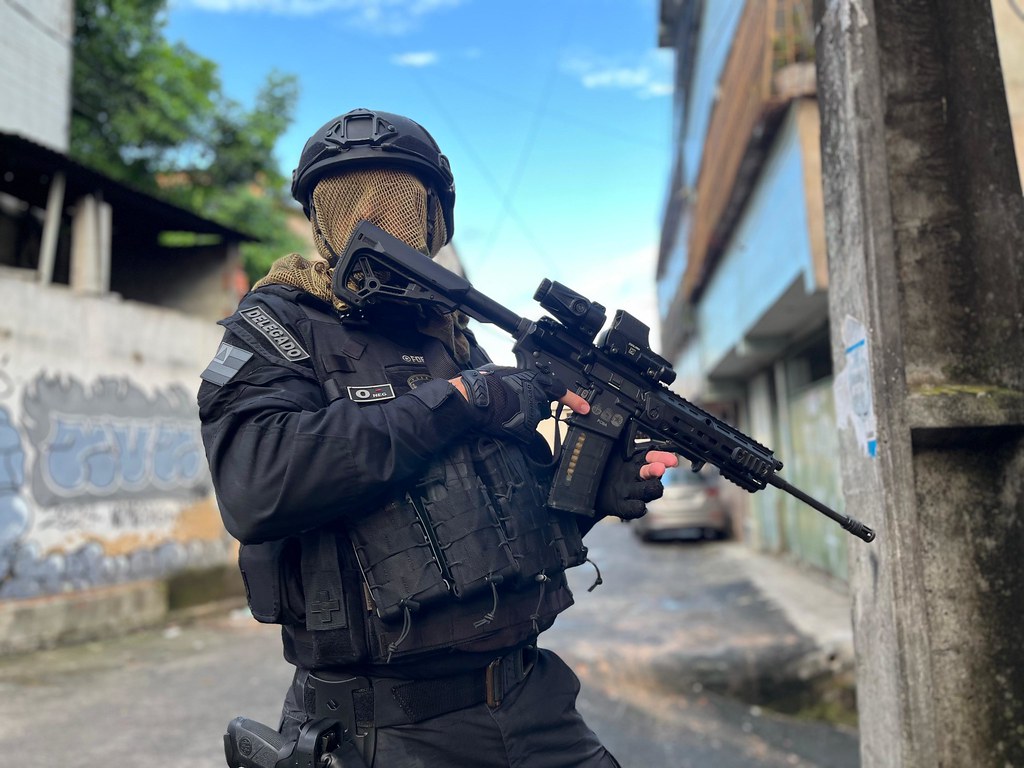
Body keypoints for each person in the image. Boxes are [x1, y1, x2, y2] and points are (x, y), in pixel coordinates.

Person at [198, 107, 678, 768]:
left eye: (396, 200)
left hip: (530, 699)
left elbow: (491, 521)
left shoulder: (454, 337)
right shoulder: (279, 324)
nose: (374, 220)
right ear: (319, 220)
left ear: (432, 220)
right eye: (349, 201)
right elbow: (257, 485)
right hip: (384, 727)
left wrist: (592, 494)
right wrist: (462, 399)